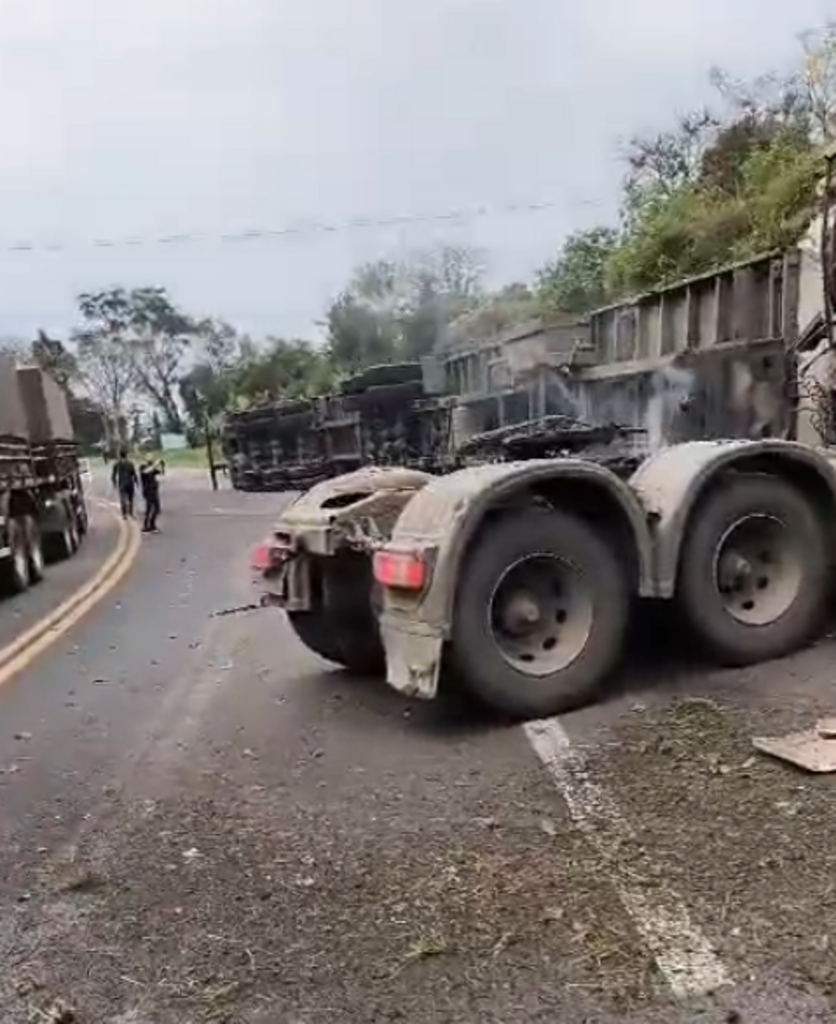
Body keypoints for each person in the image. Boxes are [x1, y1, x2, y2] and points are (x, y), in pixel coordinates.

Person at [111, 450, 138, 519]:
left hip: (122, 483)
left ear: (120, 455)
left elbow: (114, 474)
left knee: (122, 499)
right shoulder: (130, 463)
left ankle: (124, 514)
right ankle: (131, 512)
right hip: (130, 482)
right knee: (130, 499)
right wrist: (136, 481)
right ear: (126, 455)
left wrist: (114, 482)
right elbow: (134, 473)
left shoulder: (117, 464)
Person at [140, 457, 163, 533]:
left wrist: (162, 465)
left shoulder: (152, 469)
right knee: (149, 509)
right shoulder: (143, 468)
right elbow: (146, 472)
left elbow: (161, 472)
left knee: (157, 509)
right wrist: (156, 464)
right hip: (148, 491)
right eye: (149, 461)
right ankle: (145, 526)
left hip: (153, 491)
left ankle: (152, 525)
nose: (150, 462)